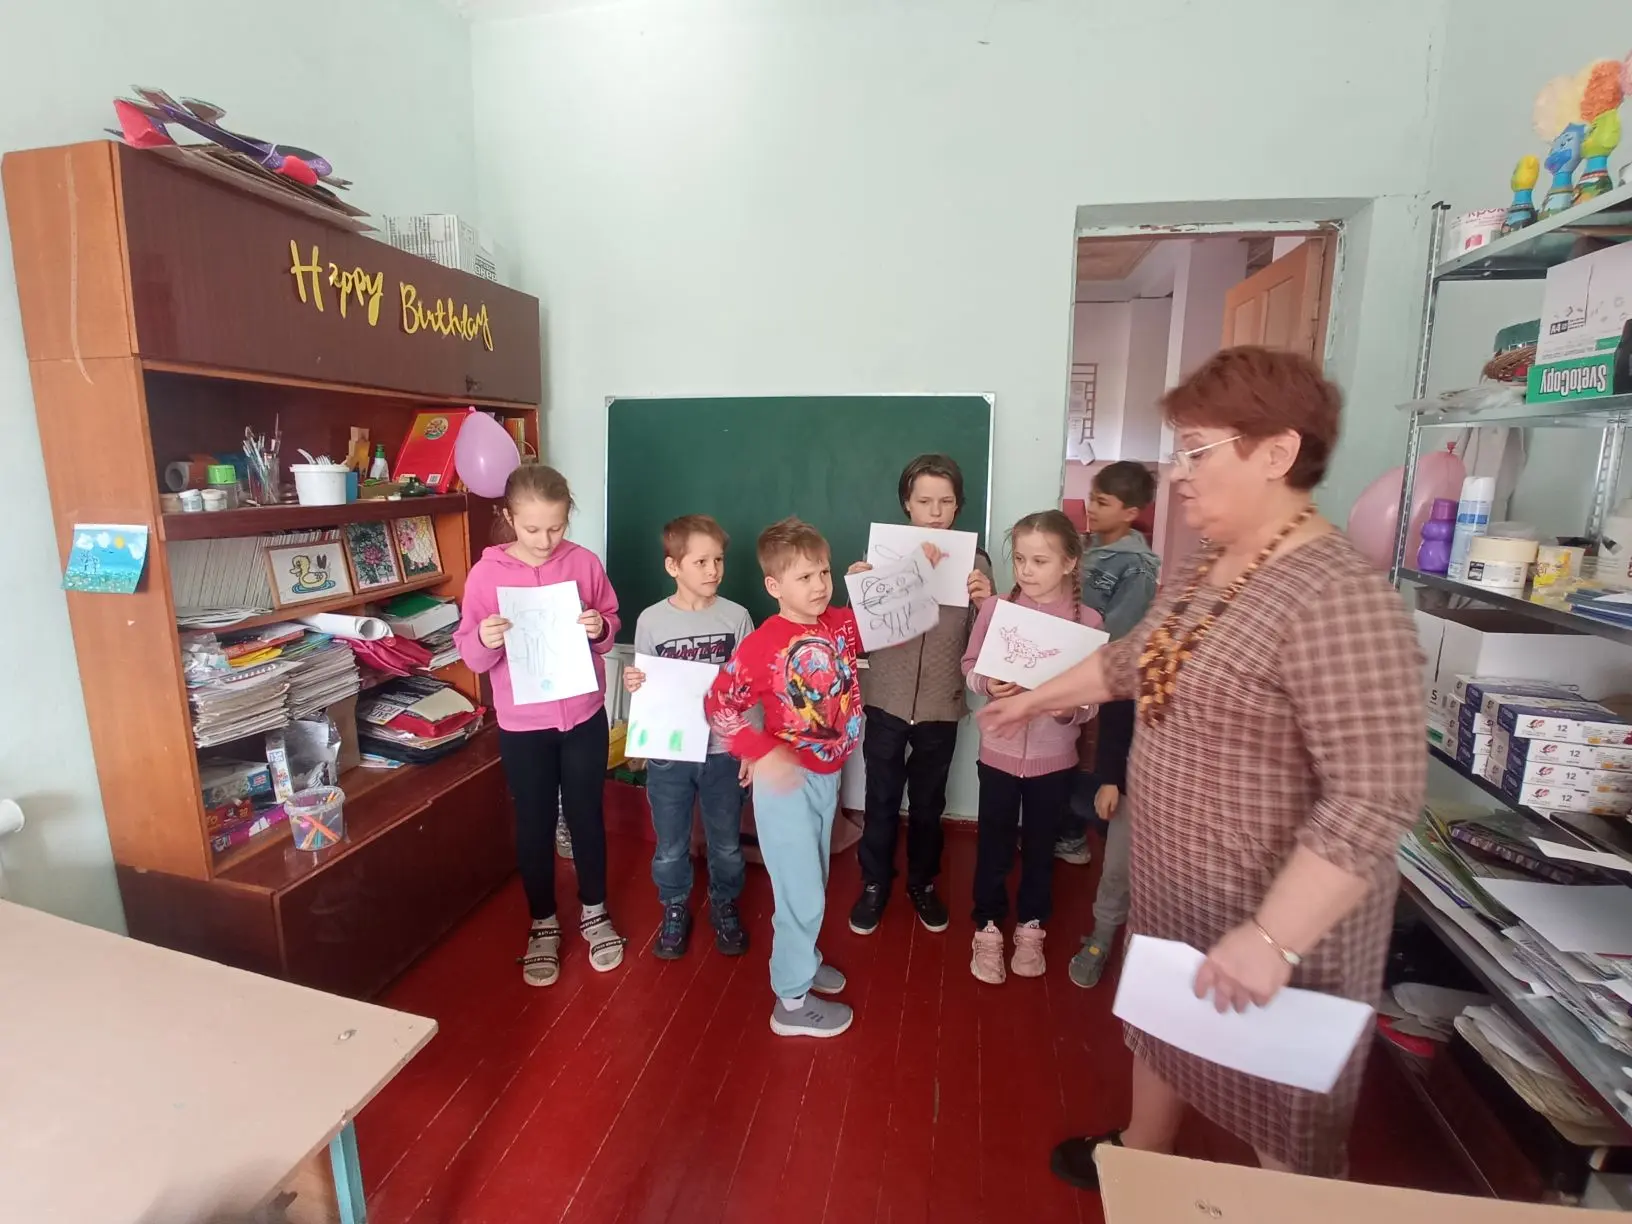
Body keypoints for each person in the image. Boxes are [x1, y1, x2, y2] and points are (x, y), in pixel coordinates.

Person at [978, 347, 1424, 1184]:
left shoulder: (1340, 599)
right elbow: (1134, 660)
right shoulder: (1206, 565)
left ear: (1277, 453)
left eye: (1196, 451)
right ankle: (1144, 1154)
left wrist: (1273, 938)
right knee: (1161, 1032)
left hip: (1274, 917)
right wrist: (1033, 699)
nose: (1176, 474)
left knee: (1281, 1112)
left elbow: (1374, 799)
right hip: (1178, 884)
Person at [453, 464, 627, 986]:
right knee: (533, 821)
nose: (545, 540)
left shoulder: (584, 563)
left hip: (583, 715)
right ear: (509, 518)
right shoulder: (486, 575)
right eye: (532, 529)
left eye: (556, 527)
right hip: (523, 724)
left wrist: (600, 628)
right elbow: (471, 655)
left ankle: (595, 911)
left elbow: (610, 622)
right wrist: (484, 638)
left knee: (586, 815)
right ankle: (543, 922)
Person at [704, 517, 864, 1038]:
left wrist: (887, 580)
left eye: (824, 572)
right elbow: (719, 704)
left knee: (811, 881)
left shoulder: (836, 624)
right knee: (801, 893)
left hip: (826, 777)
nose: (819, 585)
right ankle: (791, 1003)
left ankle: (804, 960)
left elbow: (879, 621)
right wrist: (760, 751)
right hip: (785, 787)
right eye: (805, 577)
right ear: (774, 585)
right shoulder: (762, 644)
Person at [848, 454, 994, 937]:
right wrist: (859, 588)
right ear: (906, 504)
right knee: (880, 798)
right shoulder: (882, 554)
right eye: (925, 501)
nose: (935, 512)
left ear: (958, 506)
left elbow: (983, 643)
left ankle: (923, 883)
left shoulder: (975, 562)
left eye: (946, 502)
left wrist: (986, 603)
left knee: (930, 803)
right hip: (885, 698)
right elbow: (860, 636)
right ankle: (874, 883)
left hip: (940, 703)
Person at [961, 510, 1102, 983]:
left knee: (1041, 849)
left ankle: (1031, 926)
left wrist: (1068, 711)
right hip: (998, 756)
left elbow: (1091, 701)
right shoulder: (995, 609)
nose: (1026, 570)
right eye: (1020, 559)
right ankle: (986, 926)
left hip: (1053, 761)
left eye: (1040, 561)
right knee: (994, 847)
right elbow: (970, 665)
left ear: (1069, 562)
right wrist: (987, 683)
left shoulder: (1089, 622)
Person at [623, 515, 754, 959]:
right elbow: (643, 679)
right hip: (671, 752)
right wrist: (634, 681)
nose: (713, 570)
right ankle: (675, 905)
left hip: (723, 752)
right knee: (670, 844)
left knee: (727, 843)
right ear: (673, 566)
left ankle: (724, 902)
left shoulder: (736, 617)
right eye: (701, 562)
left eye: (719, 560)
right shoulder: (651, 620)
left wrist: (750, 748)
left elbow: (751, 686)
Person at [1055, 461, 1159, 867]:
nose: (1091, 508)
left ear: (1130, 512)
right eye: (1091, 499)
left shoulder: (1137, 567)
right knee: (1065, 746)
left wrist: (1077, 653)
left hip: (1103, 676)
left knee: (1094, 757)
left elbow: (1120, 634)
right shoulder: (1086, 546)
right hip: (1070, 665)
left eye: (1102, 502)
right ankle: (1063, 828)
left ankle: (1074, 836)